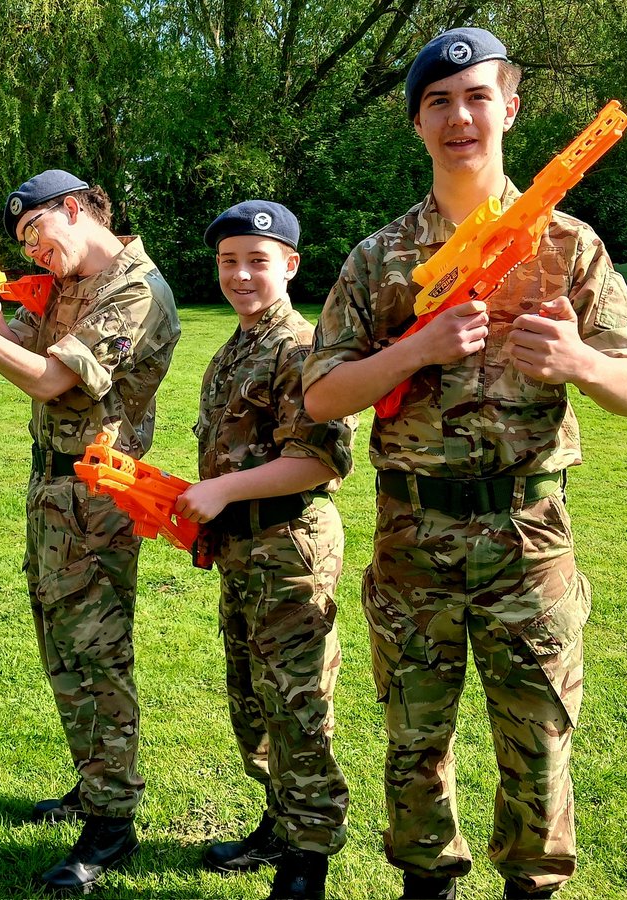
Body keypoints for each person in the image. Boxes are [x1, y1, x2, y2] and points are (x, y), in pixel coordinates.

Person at [301, 29, 627, 900]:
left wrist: (579, 363)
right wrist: (413, 348)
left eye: (476, 97)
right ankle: (429, 882)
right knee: (415, 741)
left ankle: (532, 885)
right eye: (438, 102)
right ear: (418, 122)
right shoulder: (380, 258)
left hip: (529, 542)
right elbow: (320, 396)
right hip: (413, 537)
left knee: (537, 743)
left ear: (510, 109)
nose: (459, 117)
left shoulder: (569, 245)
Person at [0, 169, 180, 896]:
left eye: (35, 233)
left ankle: (114, 822)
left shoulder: (136, 289)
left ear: (74, 209)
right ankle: (92, 786)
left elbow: (53, 380)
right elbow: (25, 337)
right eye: (22, 241)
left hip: (98, 495)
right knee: (61, 647)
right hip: (51, 487)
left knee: (98, 654)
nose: (32, 251)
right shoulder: (69, 283)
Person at [174, 201, 356, 900]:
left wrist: (221, 494)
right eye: (229, 261)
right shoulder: (235, 347)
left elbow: (317, 461)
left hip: (290, 548)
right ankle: (280, 822)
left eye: (257, 259)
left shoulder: (302, 348)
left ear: (290, 264)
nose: (241, 275)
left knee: (298, 706)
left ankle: (306, 861)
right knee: (252, 700)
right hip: (243, 552)